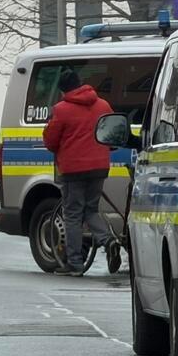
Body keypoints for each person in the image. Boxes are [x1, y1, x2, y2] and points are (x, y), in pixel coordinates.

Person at [42, 67, 119, 274]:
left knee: (73, 215)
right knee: (91, 210)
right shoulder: (103, 105)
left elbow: (50, 141)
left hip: (73, 169)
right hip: (99, 167)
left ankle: (74, 263)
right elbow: (113, 132)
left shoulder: (61, 109)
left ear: (64, 90)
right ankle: (107, 239)